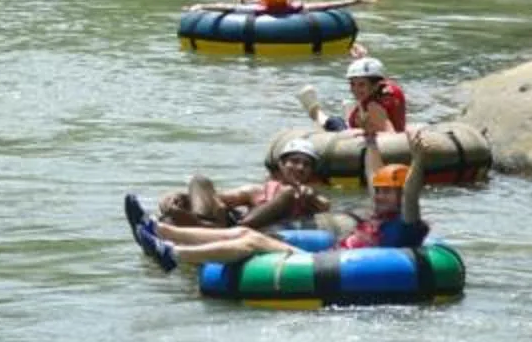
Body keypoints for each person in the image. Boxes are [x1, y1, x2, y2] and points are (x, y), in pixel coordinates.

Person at [154, 141, 332, 233]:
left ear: (311, 172)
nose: (300, 168)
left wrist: (304, 193)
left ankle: (193, 224)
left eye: (306, 164)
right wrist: (181, 197)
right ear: (281, 165)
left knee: (288, 193)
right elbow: (215, 199)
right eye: (294, 161)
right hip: (228, 226)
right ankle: (200, 223)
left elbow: (324, 205)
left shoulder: (308, 194)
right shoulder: (256, 191)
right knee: (199, 181)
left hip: (251, 230)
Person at [301, 54, 410, 136]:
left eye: (361, 85)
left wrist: (362, 132)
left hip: (363, 142)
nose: (355, 90)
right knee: (353, 108)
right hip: (372, 123)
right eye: (352, 84)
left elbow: (391, 136)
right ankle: (349, 115)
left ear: (375, 85)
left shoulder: (373, 106)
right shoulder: (390, 86)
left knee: (334, 121)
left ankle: (315, 113)